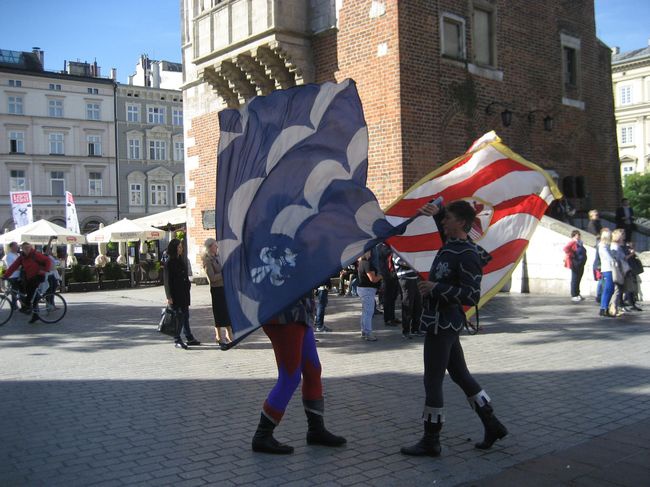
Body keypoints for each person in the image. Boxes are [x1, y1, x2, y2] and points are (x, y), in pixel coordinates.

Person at [401, 200, 507, 458]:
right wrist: (437, 209)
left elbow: (471, 296)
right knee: (460, 374)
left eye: (448, 218)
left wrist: (435, 288)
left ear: (460, 223)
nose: (443, 222)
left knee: (432, 380)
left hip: (444, 322)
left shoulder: (467, 254)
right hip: (440, 320)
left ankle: (431, 439)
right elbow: (441, 219)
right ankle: (492, 424)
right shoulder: (451, 244)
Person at [251, 296, 346, 454]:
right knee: (290, 377)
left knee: (312, 370)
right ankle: (262, 435)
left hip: (301, 312)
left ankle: (316, 429)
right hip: (284, 314)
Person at [1, 242, 52, 323]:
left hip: (38, 276)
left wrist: (44, 270)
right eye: (25, 248)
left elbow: (48, 260)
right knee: (31, 296)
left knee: (30, 293)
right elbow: (13, 266)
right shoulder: (22, 257)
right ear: (22, 249)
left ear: (31, 247)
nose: (27, 250)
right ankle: (35, 315)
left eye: (28, 248)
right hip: (29, 278)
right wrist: (5, 276)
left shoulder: (36, 254)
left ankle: (26, 308)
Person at [163, 238, 200, 349]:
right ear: (174, 248)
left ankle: (189, 337)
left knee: (185, 316)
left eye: (181, 247)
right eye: (179, 247)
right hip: (175, 294)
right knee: (178, 317)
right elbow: (167, 281)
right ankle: (177, 339)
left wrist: (188, 285)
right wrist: (169, 296)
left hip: (184, 293)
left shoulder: (180, 259)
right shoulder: (169, 262)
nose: (181, 249)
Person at [202, 238, 233, 346]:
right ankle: (220, 336)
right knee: (219, 313)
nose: (217, 247)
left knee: (226, 311)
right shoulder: (207, 260)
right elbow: (212, 278)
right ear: (210, 247)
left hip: (224, 287)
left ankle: (228, 334)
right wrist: (224, 274)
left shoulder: (217, 257)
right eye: (215, 245)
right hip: (216, 289)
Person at [393, 253, 423, 339]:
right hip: (405, 280)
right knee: (407, 306)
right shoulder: (396, 253)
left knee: (418, 305)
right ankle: (405, 331)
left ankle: (415, 329)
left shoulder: (407, 253)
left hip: (415, 280)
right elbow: (405, 263)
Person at [357, 251, 382, 341]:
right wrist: (380, 276)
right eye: (368, 251)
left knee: (365, 311)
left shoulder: (361, 263)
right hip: (367, 290)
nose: (370, 253)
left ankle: (364, 331)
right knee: (369, 312)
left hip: (363, 289)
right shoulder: (367, 263)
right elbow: (373, 279)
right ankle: (368, 333)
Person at [374, 243, 400, 327]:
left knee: (393, 297)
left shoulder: (388, 246)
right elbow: (387, 253)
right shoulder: (381, 247)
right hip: (386, 276)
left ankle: (392, 317)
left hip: (393, 275)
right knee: (388, 298)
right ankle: (388, 319)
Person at [609, 229, 629, 317]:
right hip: (617, 270)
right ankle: (613, 308)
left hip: (619, 269)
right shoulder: (615, 246)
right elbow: (615, 258)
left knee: (618, 290)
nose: (622, 237)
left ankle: (615, 308)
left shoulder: (618, 246)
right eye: (621, 236)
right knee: (617, 290)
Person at [597, 228, 616, 318]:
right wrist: (615, 261)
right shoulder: (602, 246)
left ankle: (605, 307)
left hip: (610, 269)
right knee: (608, 289)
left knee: (610, 289)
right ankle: (603, 308)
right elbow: (609, 258)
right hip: (607, 269)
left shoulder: (607, 245)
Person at [563, 230, 587, 302]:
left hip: (581, 263)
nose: (579, 236)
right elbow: (566, 249)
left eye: (579, 235)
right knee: (575, 279)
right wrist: (572, 255)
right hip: (575, 263)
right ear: (574, 236)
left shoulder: (580, 243)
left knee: (578, 279)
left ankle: (577, 293)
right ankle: (574, 295)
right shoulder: (573, 242)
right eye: (577, 235)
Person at [1, 242, 21, 309]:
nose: (17, 247)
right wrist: (21, 267)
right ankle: (14, 305)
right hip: (13, 276)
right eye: (15, 246)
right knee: (14, 291)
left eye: (17, 246)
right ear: (11, 247)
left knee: (20, 291)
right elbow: (11, 266)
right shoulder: (9, 255)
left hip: (19, 275)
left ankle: (19, 304)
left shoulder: (18, 254)